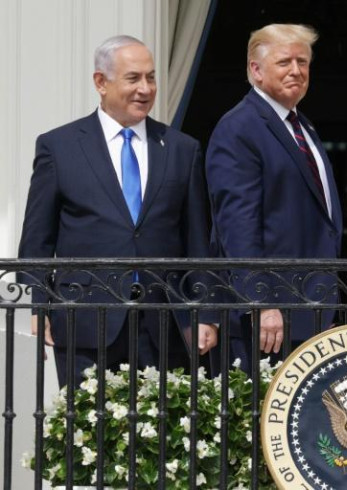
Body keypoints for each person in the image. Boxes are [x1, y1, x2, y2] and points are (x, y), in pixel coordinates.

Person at [18, 35, 217, 387]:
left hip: (163, 324)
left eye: (151, 77)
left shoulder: (182, 149)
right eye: (133, 78)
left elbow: (196, 240)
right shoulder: (59, 147)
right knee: (88, 435)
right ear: (101, 82)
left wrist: (205, 314)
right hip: (85, 321)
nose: (146, 88)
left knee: (161, 438)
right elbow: (38, 236)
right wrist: (37, 307)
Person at [206, 24, 342, 369]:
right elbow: (238, 226)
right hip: (269, 321)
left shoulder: (301, 125)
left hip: (309, 310)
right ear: (256, 69)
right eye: (284, 62)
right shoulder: (239, 127)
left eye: (303, 62)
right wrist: (260, 302)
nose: (296, 71)